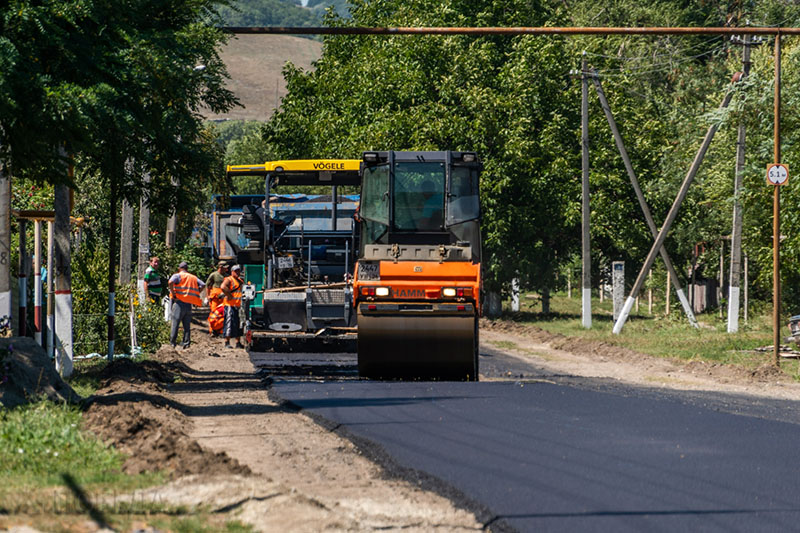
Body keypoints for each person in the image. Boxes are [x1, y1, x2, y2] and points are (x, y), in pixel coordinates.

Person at [167, 261, 205, 349]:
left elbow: (170, 282)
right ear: (187, 269)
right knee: (186, 325)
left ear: (179, 268)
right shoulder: (193, 277)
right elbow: (203, 284)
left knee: (175, 323)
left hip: (179, 302)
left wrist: (173, 293)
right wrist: (197, 292)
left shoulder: (177, 275)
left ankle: (172, 343)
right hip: (188, 304)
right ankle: (186, 343)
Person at [220, 264, 244, 349]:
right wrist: (229, 295)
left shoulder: (240, 281)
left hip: (238, 306)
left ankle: (238, 343)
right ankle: (227, 342)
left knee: (238, 324)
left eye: (238, 271)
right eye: (236, 271)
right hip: (230, 305)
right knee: (229, 323)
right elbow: (223, 287)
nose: (238, 272)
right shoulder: (229, 279)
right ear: (232, 272)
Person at [205, 262, 229, 336]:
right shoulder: (214, 275)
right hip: (215, 298)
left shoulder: (227, 276)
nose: (226, 269)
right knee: (214, 314)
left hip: (223, 298)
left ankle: (221, 331)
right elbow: (207, 285)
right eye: (225, 267)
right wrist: (208, 296)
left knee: (223, 314)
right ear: (220, 267)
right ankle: (212, 330)